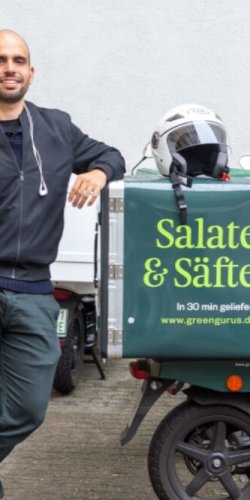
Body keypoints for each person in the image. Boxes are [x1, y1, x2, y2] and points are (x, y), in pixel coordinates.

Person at [0, 29, 125, 498]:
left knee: (28, 408)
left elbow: (113, 155)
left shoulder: (55, 127)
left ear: (31, 72)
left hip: (34, 289)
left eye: (18, 60)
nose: (9, 67)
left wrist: (95, 172)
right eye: (1, 59)